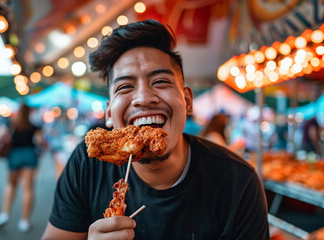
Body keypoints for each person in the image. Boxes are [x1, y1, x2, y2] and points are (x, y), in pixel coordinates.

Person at [41, 19, 270, 240]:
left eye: (160, 81)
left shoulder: (238, 181)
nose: (143, 98)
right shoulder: (86, 163)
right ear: (109, 114)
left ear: (188, 101)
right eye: (125, 86)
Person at [0, 103, 43, 232]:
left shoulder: (11, 124)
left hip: (14, 156)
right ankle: (24, 221)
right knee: (28, 188)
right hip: (30, 155)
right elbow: (40, 141)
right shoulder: (34, 126)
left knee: (11, 185)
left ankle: (4, 214)